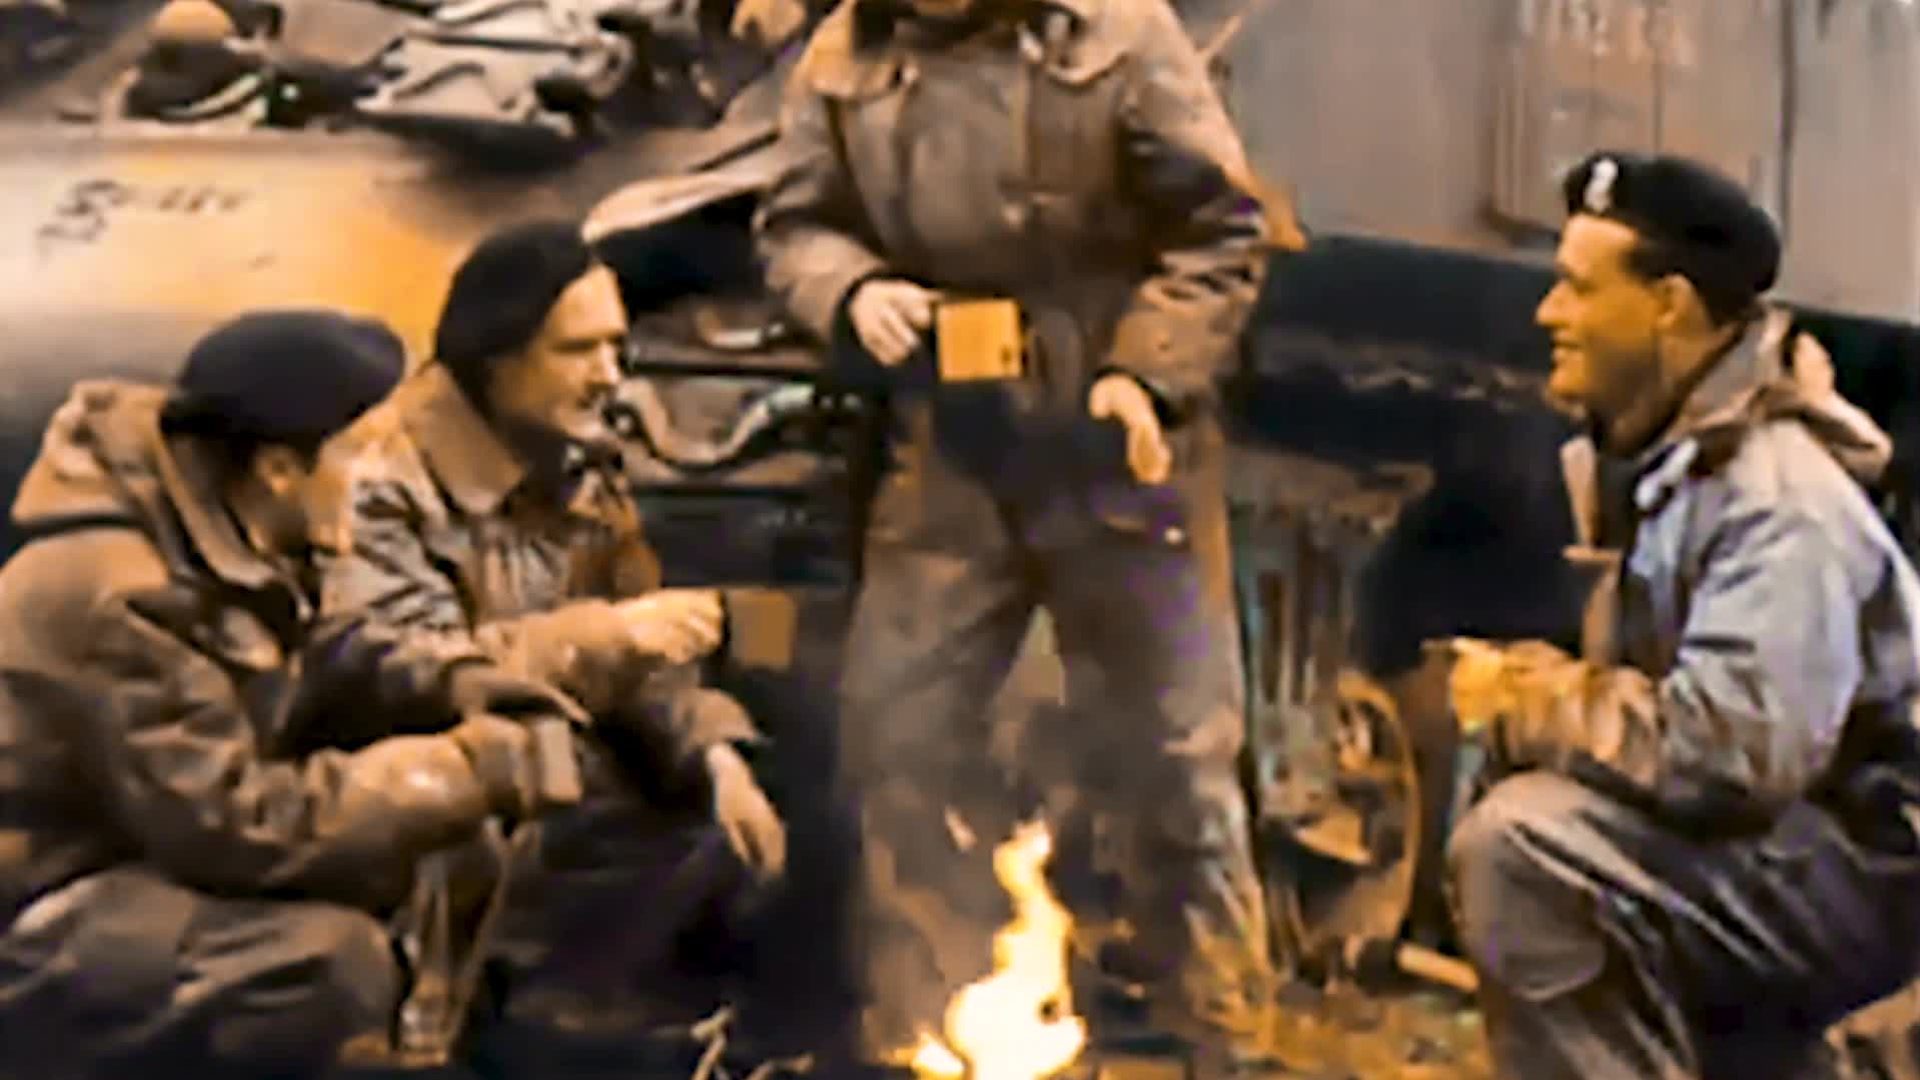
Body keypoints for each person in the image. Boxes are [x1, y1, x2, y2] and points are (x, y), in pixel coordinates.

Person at [752, 0, 1280, 1071]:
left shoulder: (1120, 34)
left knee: (1176, 762)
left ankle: (1218, 1034)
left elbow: (1223, 227)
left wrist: (1145, 374)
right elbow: (794, 225)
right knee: (897, 733)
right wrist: (854, 291)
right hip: (956, 446)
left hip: (1123, 443)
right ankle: (931, 1029)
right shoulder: (849, 53)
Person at [0, 309, 585, 1080]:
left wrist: (458, 683)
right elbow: (231, 826)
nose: (372, 475)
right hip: (40, 915)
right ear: (280, 468)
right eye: (356, 452)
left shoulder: (228, 524)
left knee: (443, 844)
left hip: (133, 874)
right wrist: (458, 770)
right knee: (327, 960)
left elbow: (330, 647)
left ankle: (418, 1052)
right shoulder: (123, 592)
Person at [1443, 150, 1920, 1080]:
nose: (1549, 314)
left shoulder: (1777, 499)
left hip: (1876, 870)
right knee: (1548, 820)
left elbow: (1728, 756)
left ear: (1667, 305)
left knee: (1525, 850)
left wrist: (1528, 700)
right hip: (1804, 851)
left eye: (1580, 289)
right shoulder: (1669, 461)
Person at [315, 219, 788, 1035]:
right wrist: (602, 636)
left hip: (548, 773)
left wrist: (713, 754)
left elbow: (646, 652)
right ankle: (471, 1028)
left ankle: (582, 1024)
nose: (610, 376)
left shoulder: (577, 459)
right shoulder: (379, 480)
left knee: (720, 823)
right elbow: (397, 679)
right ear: (496, 360)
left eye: (615, 347)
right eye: (578, 350)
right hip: (412, 799)